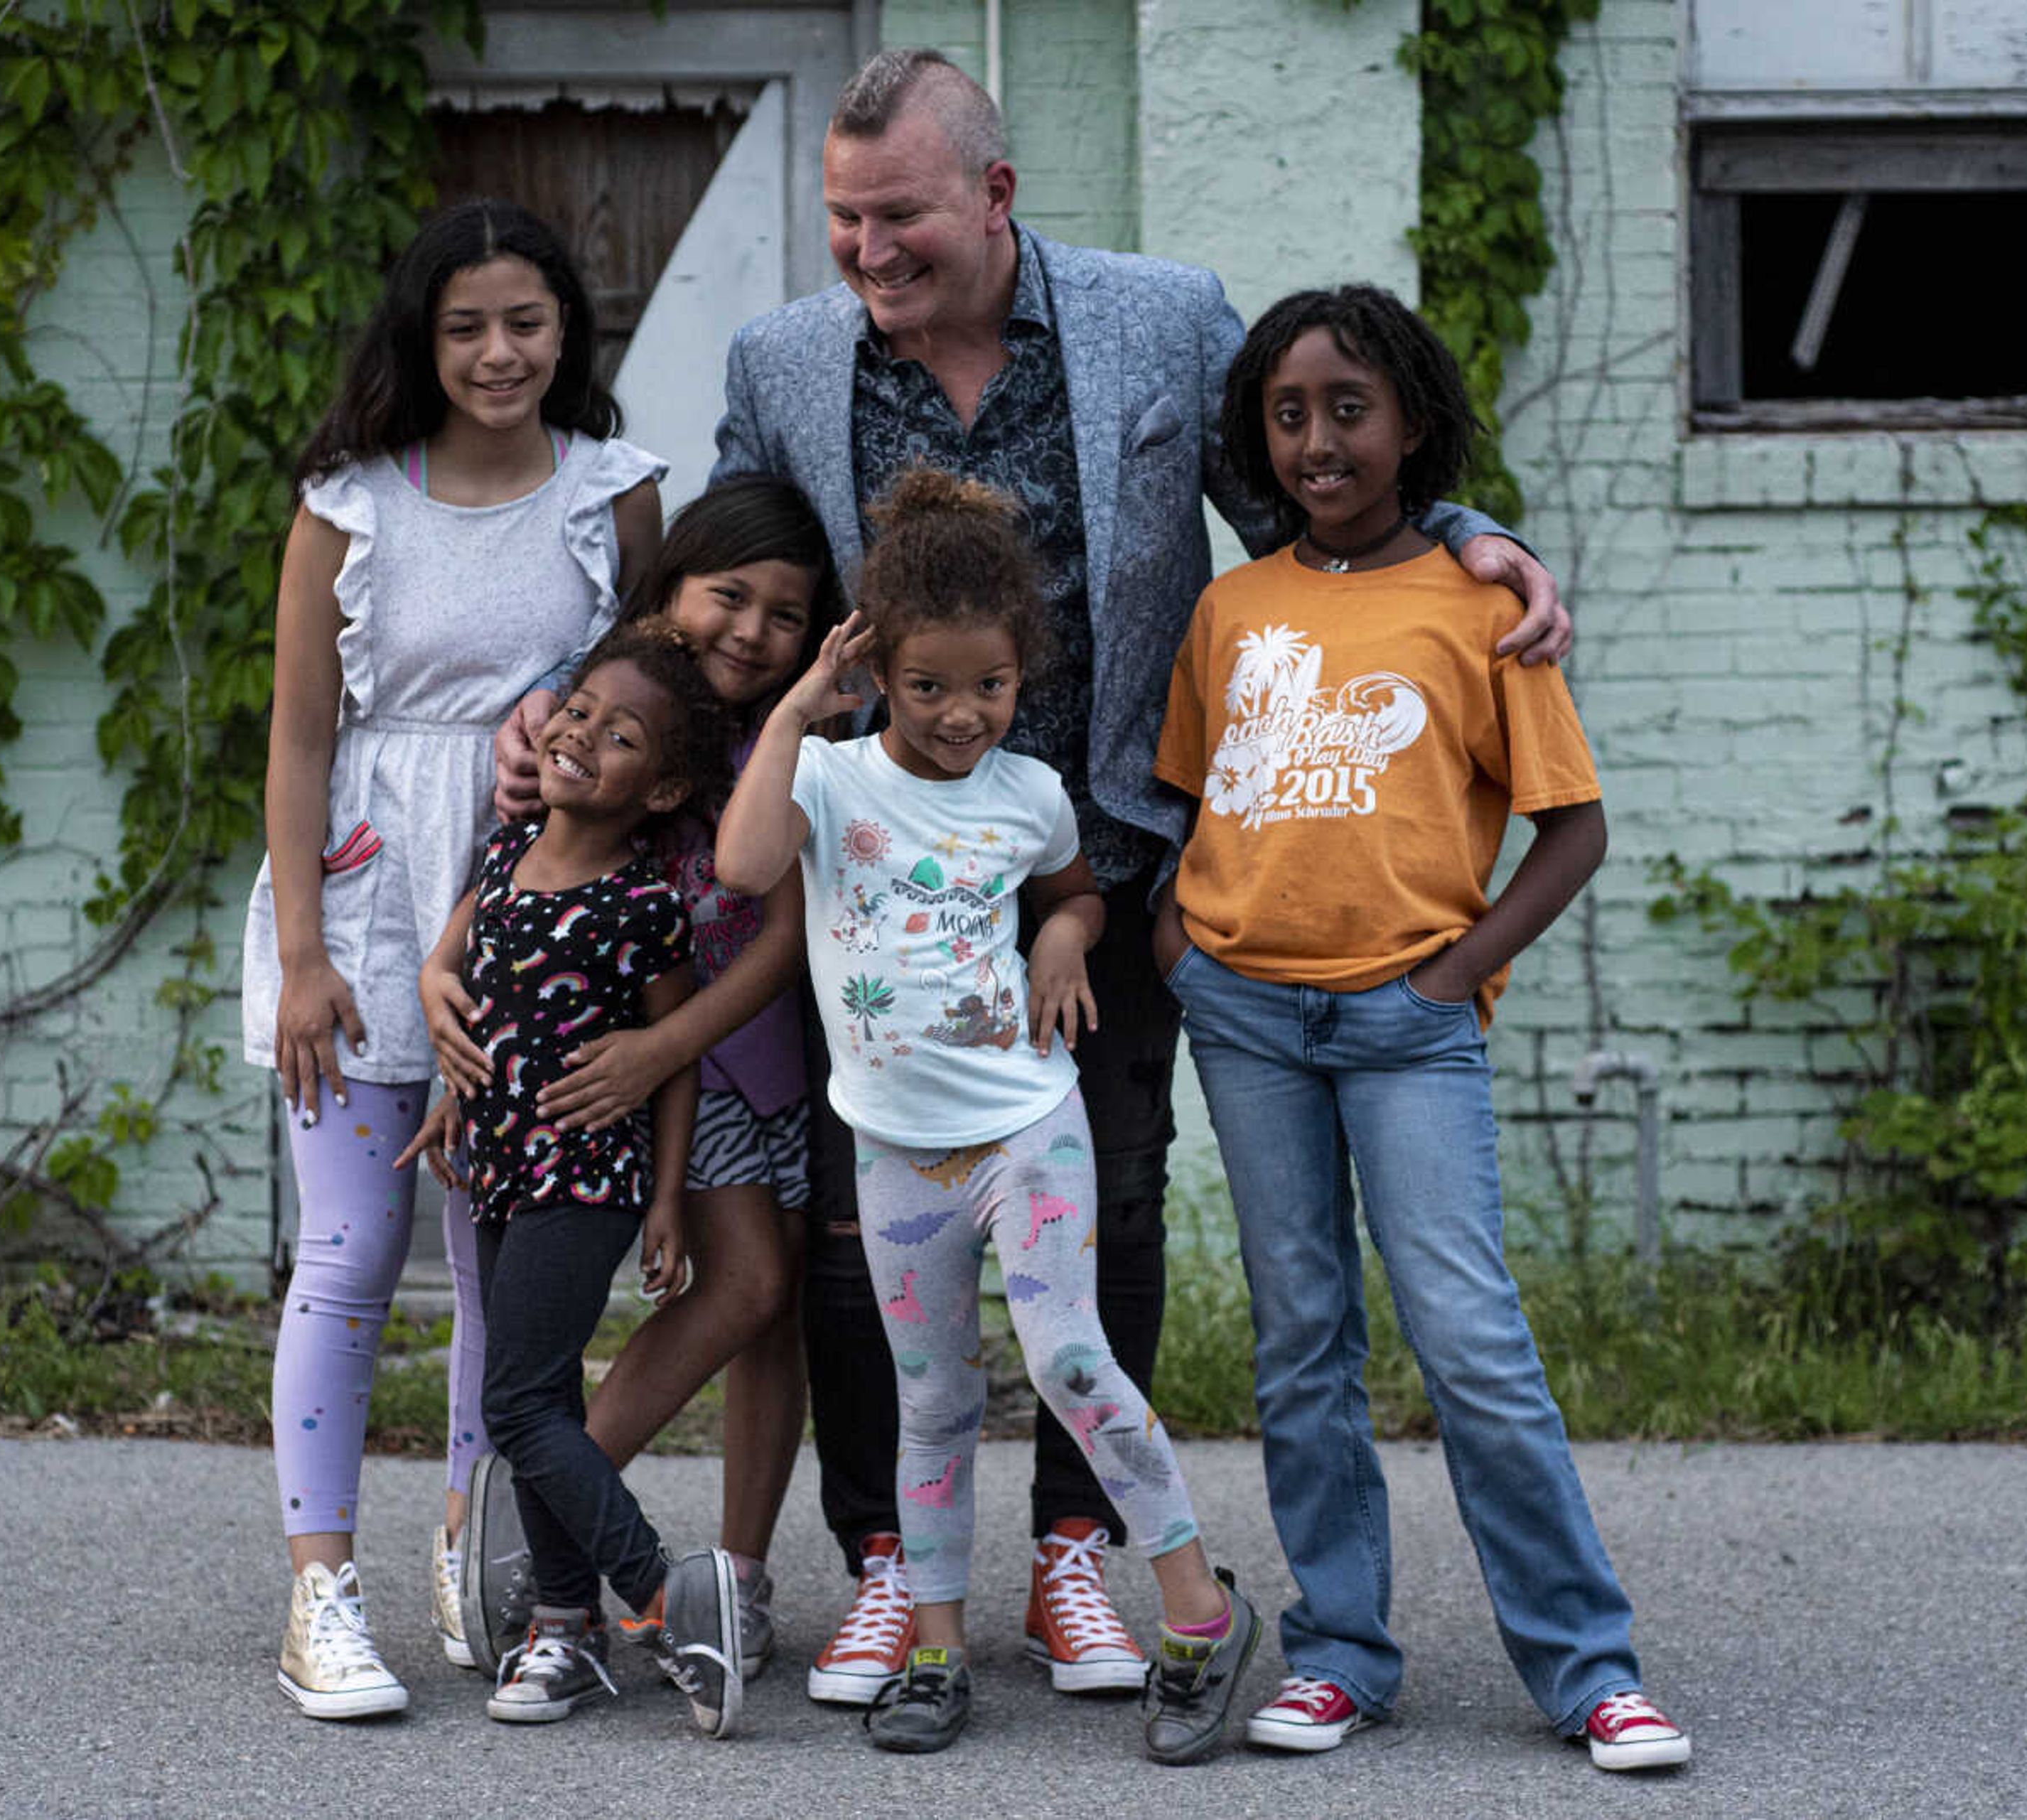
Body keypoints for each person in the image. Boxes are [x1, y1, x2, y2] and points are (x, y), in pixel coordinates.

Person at [491, 45, 1579, 1707]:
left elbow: (1310, 496)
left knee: (1112, 1203)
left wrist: (1479, 533)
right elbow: (731, 578)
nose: (867, 252)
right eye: (847, 220)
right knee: (869, 1247)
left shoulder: (1161, 316)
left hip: (1104, 871)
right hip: (874, 888)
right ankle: (886, 1565)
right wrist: (570, 709)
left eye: (902, 217)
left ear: (995, 196)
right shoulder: (788, 357)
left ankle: (1076, 1552)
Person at [1151, 284, 1689, 1773]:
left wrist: (1456, 979)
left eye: (1349, 409)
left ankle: (1590, 1669)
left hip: (1405, 1025)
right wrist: (1180, 942)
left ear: (1411, 426)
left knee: (1469, 1338)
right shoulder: (1233, 605)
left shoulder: (1481, 603)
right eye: (1288, 413)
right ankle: (1340, 1653)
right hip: (1246, 1020)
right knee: (1300, 1343)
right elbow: (1197, 795)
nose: (1319, 440)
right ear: (1258, 437)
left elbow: (1571, 831)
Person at [712, 468, 1263, 1761]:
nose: (964, 715)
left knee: (1071, 1358)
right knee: (934, 1400)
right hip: (899, 1153)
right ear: (878, 675)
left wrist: (1066, 938)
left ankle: (1198, 1609)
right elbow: (742, 866)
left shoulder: (1029, 793)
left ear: (1023, 676)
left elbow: (1075, 892)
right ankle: (939, 1648)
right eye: (930, 688)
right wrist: (800, 704)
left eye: (992, 687)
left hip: (1027, 1130)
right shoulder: (834, 781)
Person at [242, 198, 665, 1719]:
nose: (499, 353)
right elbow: (297, 739)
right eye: (467, 326)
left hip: (536, 917)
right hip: (363, 902)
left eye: (527, 322)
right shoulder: (347, 504)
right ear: (422, 340)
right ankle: (321, 1590)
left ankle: (478, 1549)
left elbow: (644, 700)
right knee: (353, 1256)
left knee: (503, 1276)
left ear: (568, 333)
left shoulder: (615, 493)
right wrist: (302, 953)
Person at [447, 480, 838, 1680]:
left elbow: (785, 926)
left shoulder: (790, 736)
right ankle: (533, 1515)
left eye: (785, 612)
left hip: (764, 1055)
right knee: (747, 1286)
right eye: (729, 595)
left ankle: (742, 1571)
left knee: (778, 1319)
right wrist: (438, 990)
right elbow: (511, 881)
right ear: (670, 589)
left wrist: (668, 1045)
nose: (751, 631)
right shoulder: (623, 715)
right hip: (661, 1066)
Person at [399, 621, 746, 1735]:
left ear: (665, 786)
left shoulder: (643, 905)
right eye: (580, 711)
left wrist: (666, 1197)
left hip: (586, 1176)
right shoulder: (504, 853)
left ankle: (661, 1594)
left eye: (623, 733)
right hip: (497, 1166)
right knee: (536, 1400)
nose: (584, 736)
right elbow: (458, 969)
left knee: (514, 1397)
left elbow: (673, 1053)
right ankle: (566, 1628)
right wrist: (449, 1065)